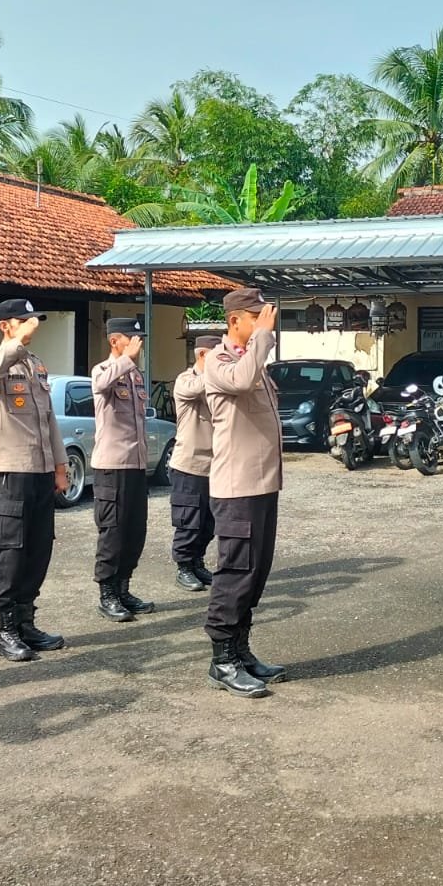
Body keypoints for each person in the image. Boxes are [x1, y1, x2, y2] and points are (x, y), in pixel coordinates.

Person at [202, 287, 287, 697]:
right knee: (235, 572)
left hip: (263, 485)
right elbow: (241, 380)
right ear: (235, 320)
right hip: (237, 488)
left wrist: (259, 342)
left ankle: (240, 649)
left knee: (256, 572)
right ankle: (222, 659)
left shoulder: (252, 363)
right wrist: (263, 338)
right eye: (256, 318)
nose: (264, 323)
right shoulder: (219, 361)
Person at [0, 297, 68, 662]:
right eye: (25, 320)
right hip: (14, 470)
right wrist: (16, 342)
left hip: (42, 470)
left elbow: (49, 420)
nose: (33, 325)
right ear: (6, 325)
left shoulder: (35, 364)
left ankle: (26, 622)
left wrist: (60, 466)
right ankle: (6, 630)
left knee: (38, 547)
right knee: (12, 550)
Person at [90, 316, 157, 621]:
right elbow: (102, 384)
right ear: (115, 341)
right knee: (113, 532)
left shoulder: (135, 376)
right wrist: (126, 360)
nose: (138, 346)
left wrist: (130, 364)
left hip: (136, 464)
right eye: (132, 340)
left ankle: (123, 588)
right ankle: (107, 593)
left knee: (134, 531)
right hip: (112, 465)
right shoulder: (103, 370)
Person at [169, 335, 220, 592]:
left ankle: (197, 562)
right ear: (202, 355)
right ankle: (184, 566)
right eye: (216, 355)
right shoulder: (185, 379)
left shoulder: (214, 381)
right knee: (189, 519)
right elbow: (196, 388)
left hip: (215, 465)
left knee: (210, 522)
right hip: (189, 465)